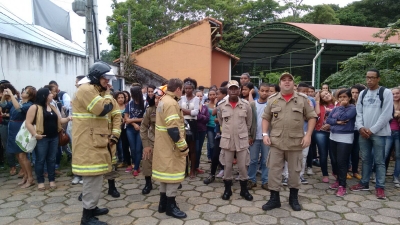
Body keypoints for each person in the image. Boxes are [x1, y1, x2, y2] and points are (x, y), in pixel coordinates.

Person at [261, 73, 317, 211]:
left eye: (289, 80)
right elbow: (266, 117)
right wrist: (264, 134)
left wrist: (308, 135)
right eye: (283, 80)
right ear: (279, 84)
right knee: (274, 171)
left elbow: (312, 117)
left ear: (294, 84)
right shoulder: (272, 99)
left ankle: (294, 199)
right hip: (276, 142)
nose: (287, 82)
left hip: (295, 143)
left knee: (294, 172)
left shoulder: (303, 99)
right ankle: (274, 199)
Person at [72, 62, 116, 225]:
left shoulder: (93, 90)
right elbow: (103, 109)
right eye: (105, 78)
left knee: (96, 178)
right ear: (96, 76)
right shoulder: (86, 90)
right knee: (91, 179)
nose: (108, 82)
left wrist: (105, 94)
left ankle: (92, 207)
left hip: (94, 141)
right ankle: (87, 217)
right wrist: (109, 95)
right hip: (88, 143)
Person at [351, 69, 393, 200]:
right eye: (367, 77)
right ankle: (364, 183)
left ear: (378, 79)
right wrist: (361, 127)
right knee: (365, 159)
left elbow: (386, 115)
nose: (369, 80)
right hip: (363, 132)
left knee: (379, 161)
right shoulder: (363, 93)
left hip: (379, 133)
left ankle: (380, 187)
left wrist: (372, 130)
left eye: (372, 78)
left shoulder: (385, 93)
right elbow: (359, 113)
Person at [153, 78, 189, 219]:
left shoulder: (163, 100)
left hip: (163, 146)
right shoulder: (172, 103)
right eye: (183, 90)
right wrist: (183, 147)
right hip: (172, 147)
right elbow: (173, 130)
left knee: (164, 175)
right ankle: (170, 206)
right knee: (173, 176)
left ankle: (162, 204)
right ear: (178, 89)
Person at [25, 88, 71, 191]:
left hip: (54, 137)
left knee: (51, 160)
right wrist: (35, 134)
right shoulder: (35, 107)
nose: (52, 95)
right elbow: (28, 122)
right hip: (42, 138)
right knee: (40, 160)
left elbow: (60, 120)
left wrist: (68, 118)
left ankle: (51, 180)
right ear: (44, 96)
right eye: (50, 94)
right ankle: (40, 182)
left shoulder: (53, 107)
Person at [217, 80, 253, 201]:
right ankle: (227, 190)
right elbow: (221, 121)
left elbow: (249, 123)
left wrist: (244, 134)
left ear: (239, 91)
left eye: (235, 89)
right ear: (227, 91)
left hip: (242, 140)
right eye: (230, 89)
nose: (233, 91)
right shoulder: (221, 105)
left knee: (243, 166)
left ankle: (244, 190)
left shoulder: (246, 105)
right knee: (227, 167)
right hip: (227, 140)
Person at [281, 83, 319, 186]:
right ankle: (286, 175)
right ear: (297, 91)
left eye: (307, 91)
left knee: (303, 155)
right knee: (289, 154)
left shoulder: (310, 101)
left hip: (305, 131)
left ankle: (300, 174)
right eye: (303, 91)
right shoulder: (292, 100)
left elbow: (314, 116)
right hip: (292, 132)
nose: (306, 93)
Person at [0, 86, 36, 188]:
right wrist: (4, 95)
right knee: (17, 155)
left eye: (26, 91)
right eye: (24, 90)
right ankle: (25, 175)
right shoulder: (19, 101)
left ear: (30, 95)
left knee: (22, 155)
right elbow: (3, 104)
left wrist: (11, 95)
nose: (23, 91)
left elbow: (18, 109)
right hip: (12, 128)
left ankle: (30, 178)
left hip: (20, 129)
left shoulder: (29, 104)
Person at [326, 89, 357, 197]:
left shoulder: (353, 108)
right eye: (340, 97)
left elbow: (344, 117)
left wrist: (342, 108)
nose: (342, 99)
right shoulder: (336, 108)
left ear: (349, 98)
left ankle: (342, 186)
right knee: (334, 160)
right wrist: (337, 122)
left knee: (341, 161)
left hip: (345, 137)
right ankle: (338, 180)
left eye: (344, 97)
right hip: (333, 136)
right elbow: (328, 120)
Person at [140, 85, 166, 195]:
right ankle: (148, 183)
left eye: (159, 98)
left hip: (166, 142)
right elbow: (143, 127)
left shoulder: (170, 109)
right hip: (152, 139)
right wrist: (146, 145)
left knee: (166, 162)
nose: (157, 100)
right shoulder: (150, 110)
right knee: (147, 160)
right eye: (155, 98)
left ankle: (168, 182)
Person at [247, 83, 270, 190]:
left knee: (266, 160)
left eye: (267, 91)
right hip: (254, 137)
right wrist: (249, 136)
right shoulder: (252, 105)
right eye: (262, 90)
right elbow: (249, 122)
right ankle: (251, 180)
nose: (264, 93)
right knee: (253, 160)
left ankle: (265, 181)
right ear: (259, 91)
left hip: (267, 137)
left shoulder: (271, 105)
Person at [203, 87, 228, 184]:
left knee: (228, 156)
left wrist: (220, 119)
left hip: (229, 134)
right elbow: (214, 114)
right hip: (220, 133)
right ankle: (212, 174)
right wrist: (219, 106)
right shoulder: (219, 103)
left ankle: (227, 174)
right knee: (215, 154)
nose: (216, 96)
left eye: (218, 94)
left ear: (225, 95)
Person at [179, 78, 200, 178]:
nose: (187, 90)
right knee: (184, 147)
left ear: (193, 89)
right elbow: (178, 111)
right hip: (182, 123)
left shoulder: (196, 99)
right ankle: (184, 169)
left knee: (192, 148)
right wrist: (189, 112)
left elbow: (196, 113)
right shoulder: (181, 98)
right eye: (186, 88)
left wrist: (184, 111)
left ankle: (192, 170)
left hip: (192, 124)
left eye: (189, 88)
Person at [314, 90, 336, 183]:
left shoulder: (337, 104)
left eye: (327, 93)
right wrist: (318, 100)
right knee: (323, 154)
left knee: (334, 154)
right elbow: (317, 114)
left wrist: (331, 125)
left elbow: (342, 117)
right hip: (321, 132)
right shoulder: (320, 106)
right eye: (323, 96)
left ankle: (335, 172)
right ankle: (325, 174)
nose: (326, 96)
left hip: (335, 132)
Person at [125, 86, 146, 176]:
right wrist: (133, 124)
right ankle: (135, 164)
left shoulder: (145, 103)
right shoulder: (130, 103)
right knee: (132, 149)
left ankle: (136, 168)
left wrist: (132, 120)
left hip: (141, 129)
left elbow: (145, 118)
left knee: (138, 149)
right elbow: (126, 116)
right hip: (130, 129)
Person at [348, 84, 366, 180]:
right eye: (353, 92)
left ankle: (355, 171)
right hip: (348, 130)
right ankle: (346, 170)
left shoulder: (364, 103)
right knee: (347, 151)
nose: (355, 94)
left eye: (357, 92)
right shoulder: (347, 102)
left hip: (359, 130)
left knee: (356, 152)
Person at [195, 90, 209, 173]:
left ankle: (196, 166)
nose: (199, 97)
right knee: (195, 149)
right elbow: (194, 116)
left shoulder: (205, 107)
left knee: (199, 149)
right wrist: (201, 116)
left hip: (202, 130)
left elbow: (207, 118)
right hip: (194, 130)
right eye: (198, 96)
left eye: (201, 96)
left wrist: (199, 117)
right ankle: (191, 166)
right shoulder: (192, 106)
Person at [391, 87, 400, 188]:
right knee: (384, 155)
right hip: (389, 132)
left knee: (398, 156)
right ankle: (376, 174)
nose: (395, 95)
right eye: (393, 94)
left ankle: (396, 176)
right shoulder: (388, 104)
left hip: (398, 132)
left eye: (397, 93)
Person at [205, 89, 217, 162]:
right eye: (210, 95)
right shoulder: (206, 106)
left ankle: (216, 157)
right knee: (211, 142)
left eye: (214, 94)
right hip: (209, 126)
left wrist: (216, 104)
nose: (212, 96)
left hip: (218, 126)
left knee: (217, 143)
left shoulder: (219, 104)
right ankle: (211, 157)